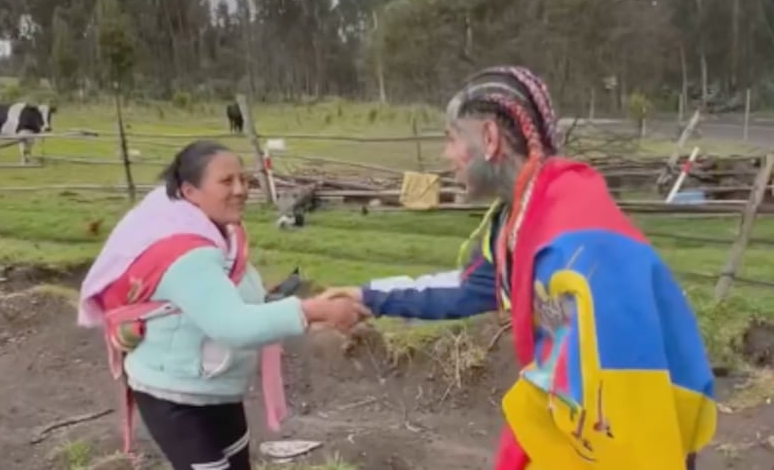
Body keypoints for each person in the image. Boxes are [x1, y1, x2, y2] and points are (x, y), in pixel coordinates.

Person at [321, 66, 717, 470]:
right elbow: (468, 288)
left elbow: (574, 385)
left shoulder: (566, 245)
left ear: (490, 139)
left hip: (632, 429)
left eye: (452, 138)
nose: (447, 156)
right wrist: (367, 296)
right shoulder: (523, 218)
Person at [78, 140, 368, 470]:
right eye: (226, 182)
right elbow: (235, 326)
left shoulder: (217, 230)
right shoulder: (185, 253)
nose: (242, 189)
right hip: (176, 396)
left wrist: (301, 311)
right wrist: (313, 310)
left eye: (243, 179)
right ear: (189, 191)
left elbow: (234, 299)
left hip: (214, 389)